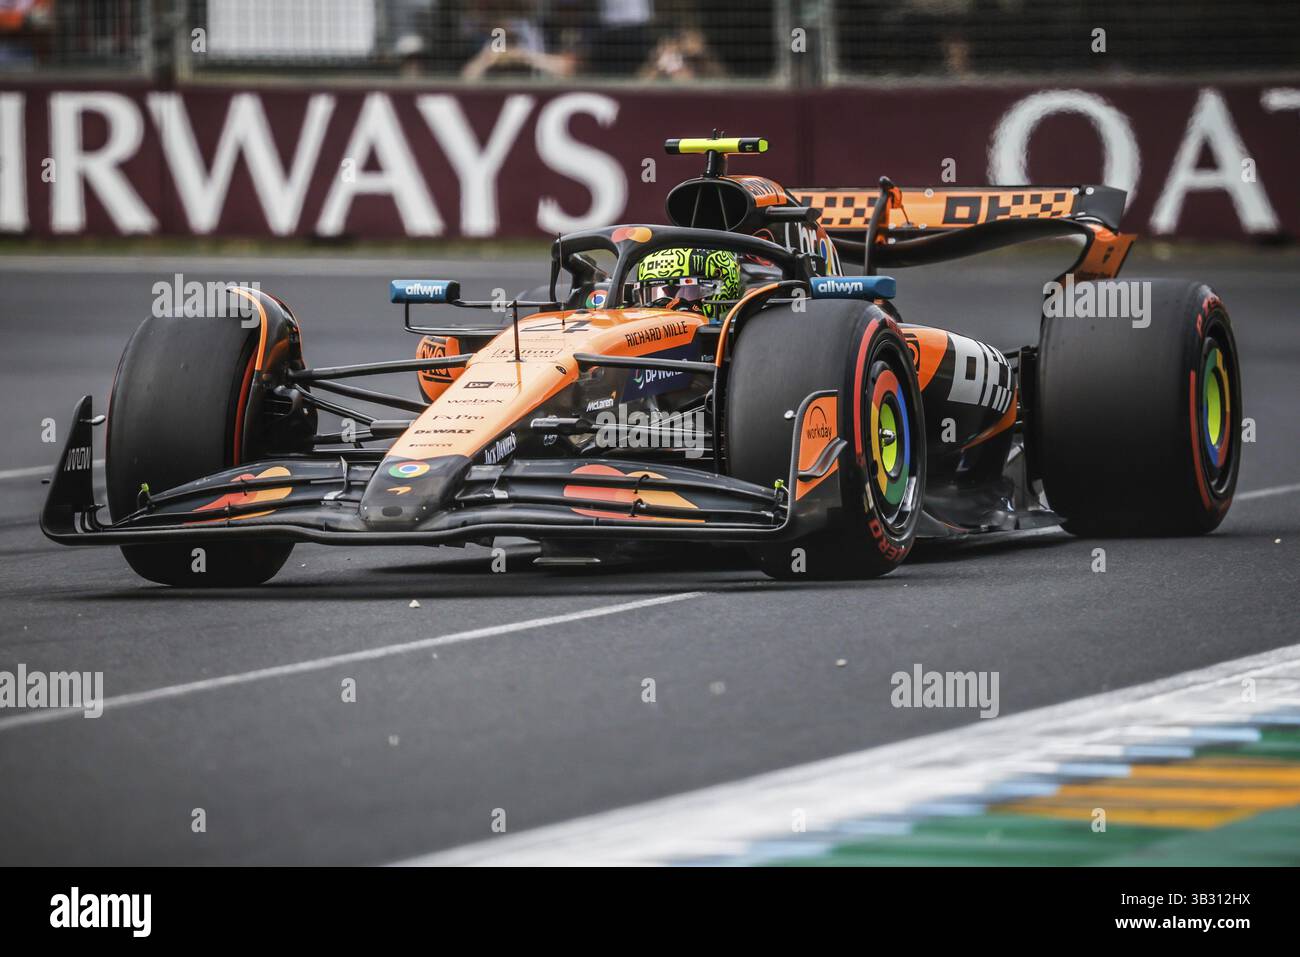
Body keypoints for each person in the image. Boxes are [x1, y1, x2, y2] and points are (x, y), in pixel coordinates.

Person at [630, 247, 740, 323]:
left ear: (719, 288)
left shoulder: (744, 327)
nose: (668, 306)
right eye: (656, 296)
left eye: (688, 290)